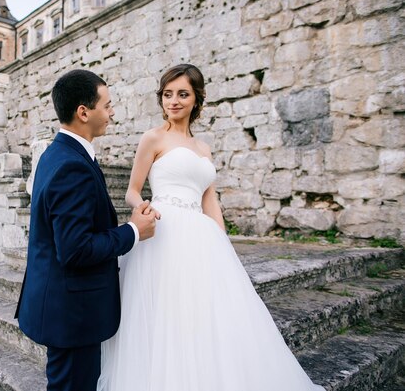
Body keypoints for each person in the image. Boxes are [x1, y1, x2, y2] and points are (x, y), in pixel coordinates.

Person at [97, 64, 325, 391]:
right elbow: (132, 190)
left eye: (182, 94)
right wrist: (142, 208)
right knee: (168, 313)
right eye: (167, 94)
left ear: (196, 99)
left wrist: (222, 243)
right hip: (163, 231)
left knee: (208, 313)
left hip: (201, 237)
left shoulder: (204, 149)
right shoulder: (153, 138)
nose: (173, 101)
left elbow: (210, 200)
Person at [15, 69, 159, 391]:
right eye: (106, 106)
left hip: (63, 306)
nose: (111, 113)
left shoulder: (59, 154)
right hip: (72, 314)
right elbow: (75, 249)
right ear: (84, 112)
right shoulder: (71, 165)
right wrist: (133, 231)